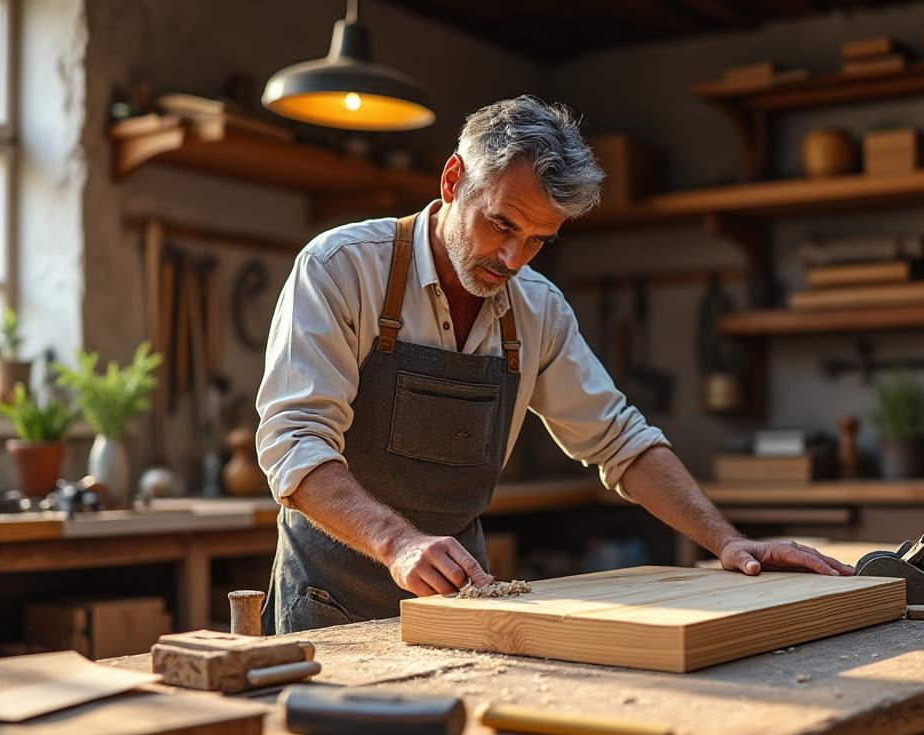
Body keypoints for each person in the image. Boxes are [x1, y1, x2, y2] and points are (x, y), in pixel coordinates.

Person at [256, 95, 852, 633]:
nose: (514, 258)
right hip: (329, 604)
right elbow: (294, 441)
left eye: (539, 239)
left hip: (463, 605)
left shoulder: (535, 308)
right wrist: (397, 542)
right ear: (453, 180)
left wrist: (729, 541)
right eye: (502, 225)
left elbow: (621, 442)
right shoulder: (342, 268)